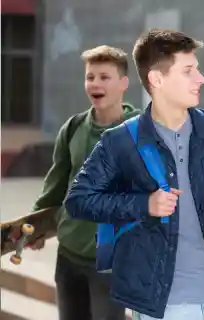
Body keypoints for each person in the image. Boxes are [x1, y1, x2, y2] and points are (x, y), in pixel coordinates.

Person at [64, 28, 204, 320]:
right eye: (188, 71)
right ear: (157, 79)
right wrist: (144, 205)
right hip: (161, 304)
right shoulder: (121, 140)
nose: (200, 79)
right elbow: (79, 200)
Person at [31, 45, 141, 320]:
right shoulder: (73, 128)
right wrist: (34, 229)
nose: (95, 83)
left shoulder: (142, 130)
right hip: (69, 255)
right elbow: (54, 188)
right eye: (90, 77)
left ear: (123, 84)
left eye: (104, 77)